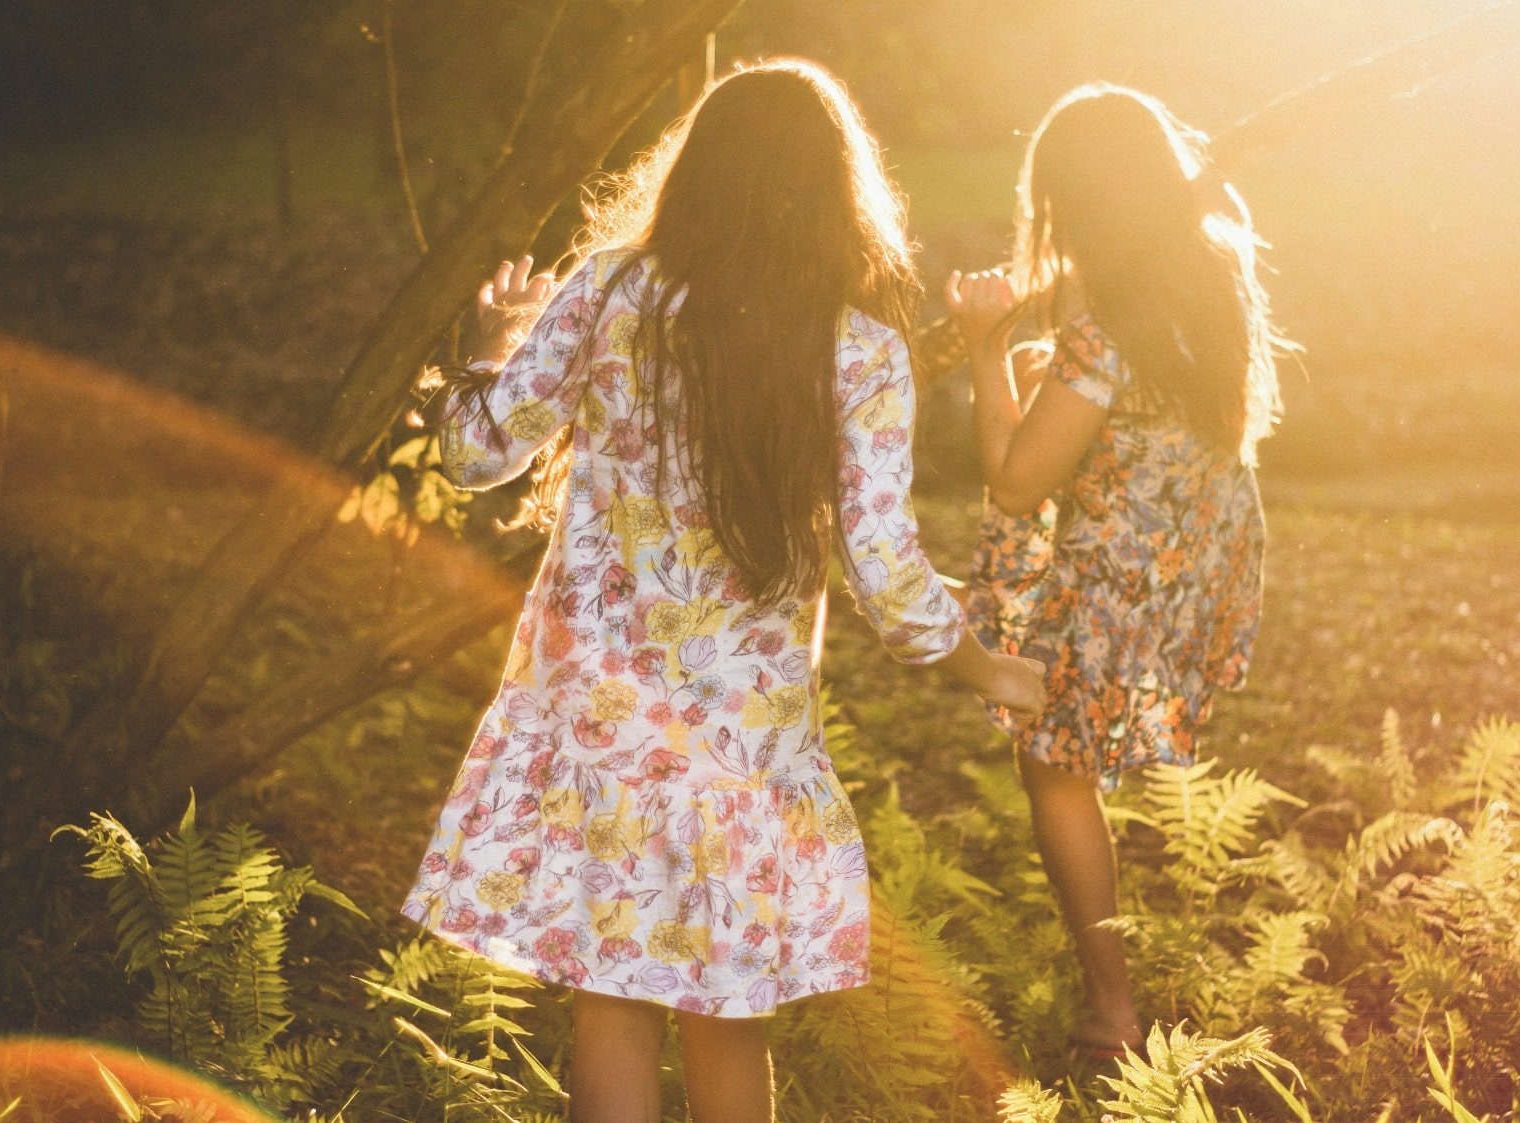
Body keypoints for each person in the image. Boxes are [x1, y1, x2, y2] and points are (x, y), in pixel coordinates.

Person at [402, 60, 1046, 1123]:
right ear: (837, 194)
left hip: (597, 714)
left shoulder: (609, 294)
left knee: (613, 996)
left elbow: (474, 457)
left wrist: (488, 345)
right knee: (725, 1008)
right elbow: (885, 572)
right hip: (741, 739)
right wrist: (988, 668)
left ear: (694, 174)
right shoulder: (857, 352)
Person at [945, 82, 1291, 1060]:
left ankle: (1111, 1009)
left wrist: (984, 350)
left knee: (1052, 763)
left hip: (1128, 572)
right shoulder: (1209, 283)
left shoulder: (1102, 338)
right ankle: (1117, 978)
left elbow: (1015, 486)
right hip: (1202, 553)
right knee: (1074, 747)